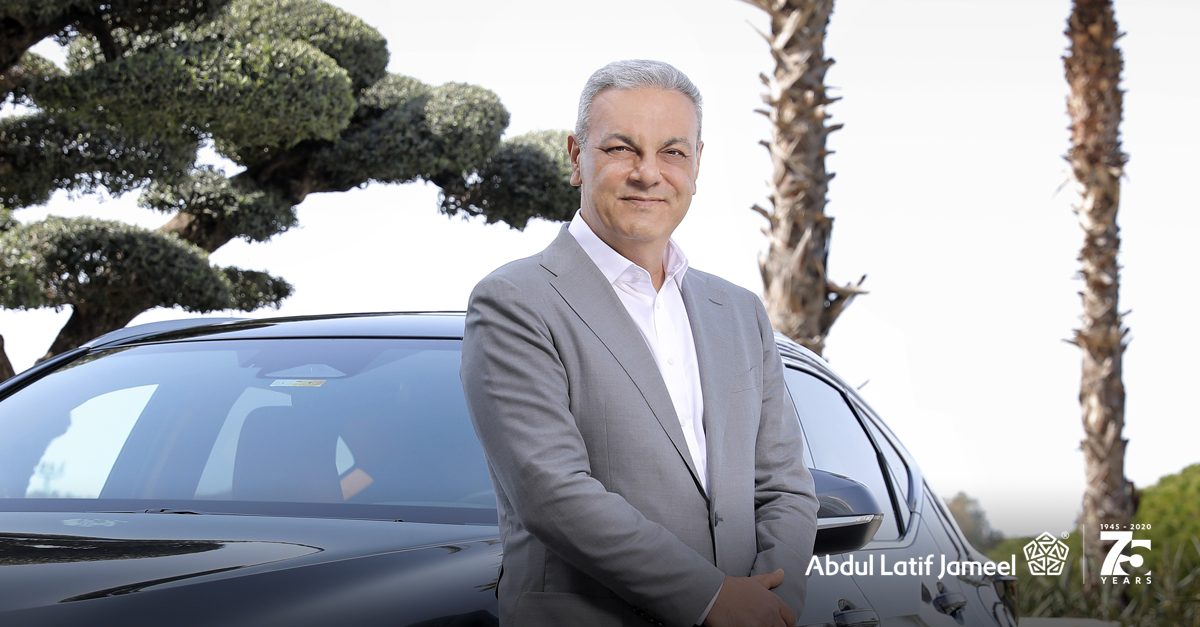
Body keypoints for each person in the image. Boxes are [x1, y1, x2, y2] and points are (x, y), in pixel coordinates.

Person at [460, 59, 819, 627]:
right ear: (577, 157)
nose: (648, 173)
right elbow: (552, 492)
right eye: (621, 148)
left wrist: (773, 602)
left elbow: (784, 486)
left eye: (672, 151)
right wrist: (712, 599)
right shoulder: (515, 301)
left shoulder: (740, 312)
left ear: (697, 164)